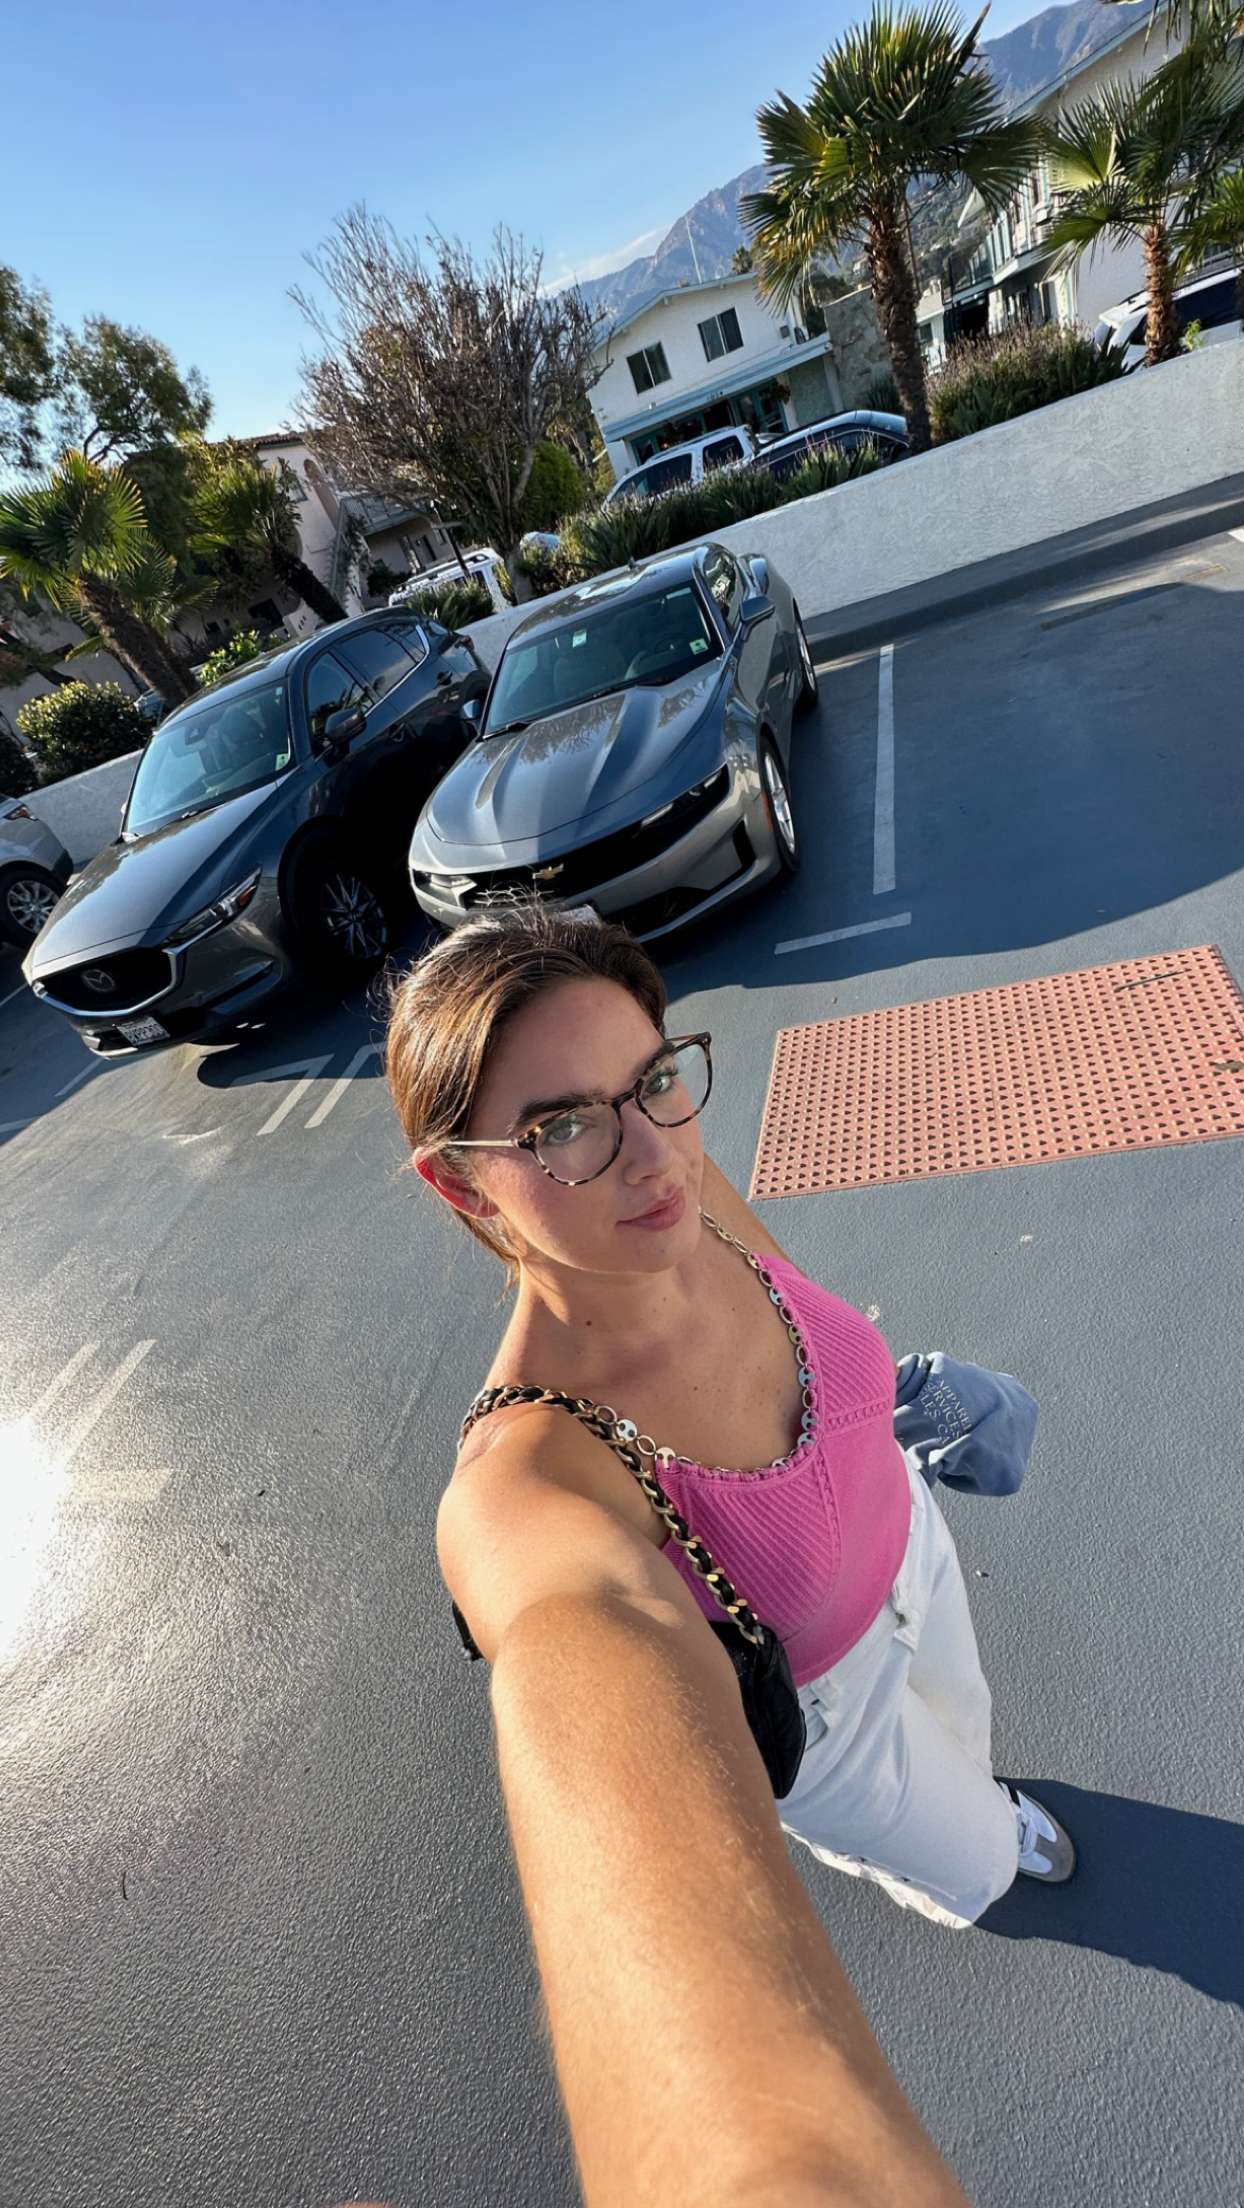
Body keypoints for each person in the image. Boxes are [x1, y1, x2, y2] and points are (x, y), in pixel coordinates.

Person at [382, 897, 1073, 2194]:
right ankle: (966, 1845)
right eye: (563, 1126)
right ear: (460, 1179)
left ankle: (979, 1792)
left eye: (653, 1079)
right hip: (831, 1721)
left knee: (971, 1724)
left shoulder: (683, 1198)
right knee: (974, 1859)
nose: (650, 1153)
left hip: (911, 1544)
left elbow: (806, 1326)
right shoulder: (531, 1476)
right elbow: (576, 1657)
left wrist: (891, 1404)